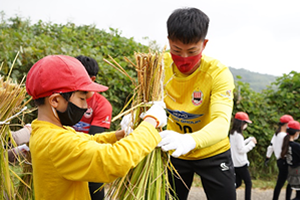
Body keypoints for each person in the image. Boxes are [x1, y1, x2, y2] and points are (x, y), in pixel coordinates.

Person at [25, 55, 167, 200]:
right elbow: (115, 161)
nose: (86, 106)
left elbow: (89, 139)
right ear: (55, 100)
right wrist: (151, 122)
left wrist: (119, 135)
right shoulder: (56, 142)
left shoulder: (44, 130)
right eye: (81, 99)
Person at [157, 7, 236, 200]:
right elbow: (145, 104)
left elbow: (221, 123)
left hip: (212, 151)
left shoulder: (218, 73)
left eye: (192, 51)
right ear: (169, 42)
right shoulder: (159, 67)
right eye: (177, 50)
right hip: (175, 151)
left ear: (204, 44)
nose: (184, 58)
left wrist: (190, 140)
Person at [72, 55, 113, 200]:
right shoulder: (63, 98)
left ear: (92, 79)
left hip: (90, 158)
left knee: (95, 189)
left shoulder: (102, 105)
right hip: (65, 154)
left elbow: (95, 139)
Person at [265, 114, 294, 200]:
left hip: (279, 161)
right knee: (290, 182)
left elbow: (270, 146)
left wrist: (267, 157)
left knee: (280, 183)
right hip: (286, 161)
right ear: (286, 125)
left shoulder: (276, 134)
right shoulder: (285, 136)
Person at [229, 112, 257, 200]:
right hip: (241, 164)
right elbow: (241, 150)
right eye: (245, 123)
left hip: (235, 163)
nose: (246, 125)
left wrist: (248, 140)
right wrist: (252, 144)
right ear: (240, 123)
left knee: (238, 182)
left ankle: (226, 195)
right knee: (248, 183)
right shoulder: (239, 136)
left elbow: (238, 146)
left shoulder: (232, 133)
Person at [281, 120, 300, 200]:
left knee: (290, 186)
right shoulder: (296, 146)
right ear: (296, 133)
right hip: (298, 172)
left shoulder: (285, 143)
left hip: (291, 170)